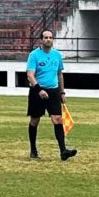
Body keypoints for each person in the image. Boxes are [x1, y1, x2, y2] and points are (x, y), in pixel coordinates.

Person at [27, 30, 78, 161]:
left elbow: (59, 74)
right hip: (37, 92)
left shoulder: (57, 55)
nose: (48, 39)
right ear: (41, 40)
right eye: (46, 37)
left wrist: (62, 92)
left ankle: (63, 151)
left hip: (54, 92)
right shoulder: (34, 55)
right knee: (35, 120)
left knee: (57, 119)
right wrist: (39, 89)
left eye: (50, 37)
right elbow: (30, 75)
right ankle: (33, 149)